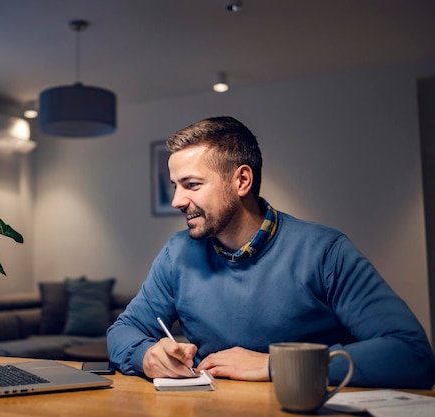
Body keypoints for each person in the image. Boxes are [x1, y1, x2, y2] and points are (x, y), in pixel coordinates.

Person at [106, 116, 435, 388]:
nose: (177, 200)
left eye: (191, 185)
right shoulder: (177, 253)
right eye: (175, 186)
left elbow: (411, 353)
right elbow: (123, 332)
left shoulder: (325, 251)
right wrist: (147, 356)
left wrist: (274, 364)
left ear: (242, 181)